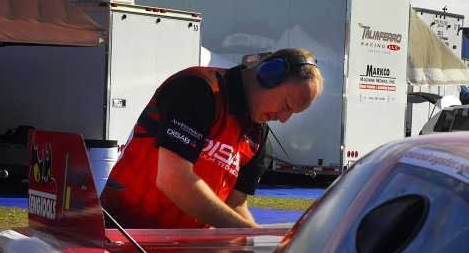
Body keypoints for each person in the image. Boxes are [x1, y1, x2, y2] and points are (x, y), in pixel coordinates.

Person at [100, 48, 324, 229]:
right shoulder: (199, 89)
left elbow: (236, 205)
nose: (283, 119)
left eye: (293, 113)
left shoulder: (258, 135)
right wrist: (247, 231)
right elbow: (173, 179)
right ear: (268, 75)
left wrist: (257, 242)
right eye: (286, 105)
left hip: (182, 251)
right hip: (122, 235)